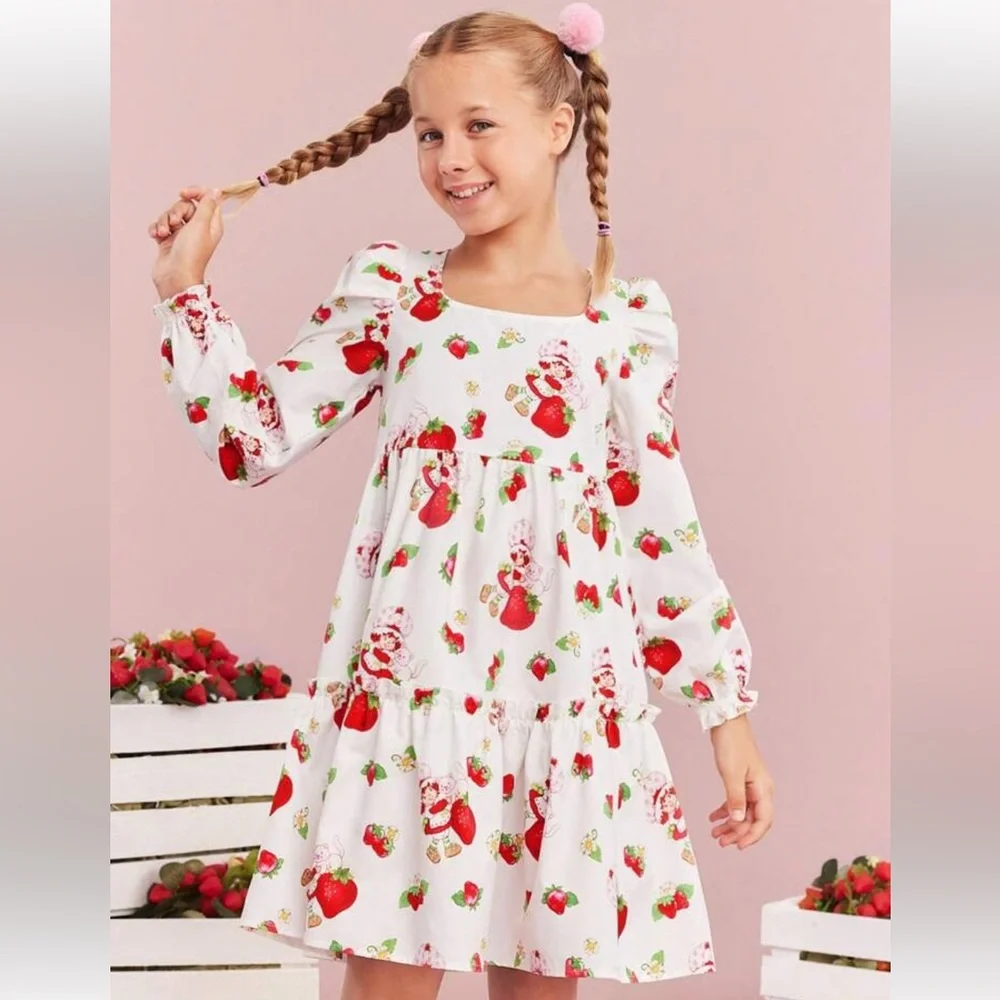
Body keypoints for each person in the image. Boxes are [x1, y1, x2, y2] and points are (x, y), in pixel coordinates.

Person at [146, 6, 774, 998]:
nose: (450, 159)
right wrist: (185, 290)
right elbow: (252, 439)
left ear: (558, 127)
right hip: (417, 701)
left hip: (563, 709)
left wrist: (724, 713)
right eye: (430, 133)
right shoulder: (398, 295)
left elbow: (660, 525)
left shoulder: (621, 323)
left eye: (480, 126)